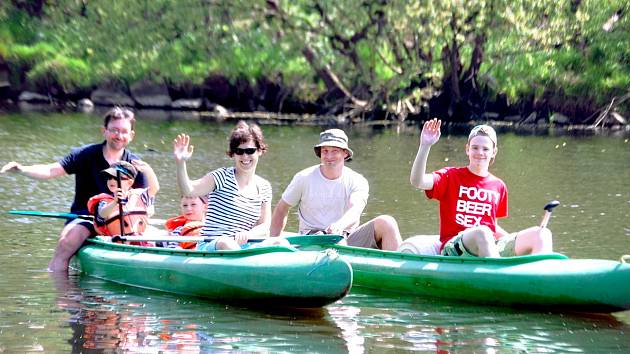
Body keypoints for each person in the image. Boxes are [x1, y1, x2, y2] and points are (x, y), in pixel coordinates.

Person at [0, 107, 147, 272]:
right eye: (114, 130)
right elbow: (52, 170)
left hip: (121, 222)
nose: (119, 136)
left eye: (124, 131)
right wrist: (22, 169)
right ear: (104, 131)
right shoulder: (85, 154)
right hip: (86, 217)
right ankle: (62, 287)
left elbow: (145, 202)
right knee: (67, 241)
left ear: (131, 135)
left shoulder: (136, 165)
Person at [409, 118, 553, 257]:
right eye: (475, 147)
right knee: (482, 232)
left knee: (542, 234)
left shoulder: (499, 186)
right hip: (455, 248)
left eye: (485, 148)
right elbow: (417, 181)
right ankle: (497, 276)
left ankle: (542, 276)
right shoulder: (450, 176)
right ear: (467, 149)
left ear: (493, 152)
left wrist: (513, 239)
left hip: (488, 244)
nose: (480, 152)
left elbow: (492, 226)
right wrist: (425, 145)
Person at [269, 128, 402, 251]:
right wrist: (273, 242)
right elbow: (281, 209)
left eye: (335, 151)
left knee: (387, 222)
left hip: (347, 236)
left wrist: (339, 225)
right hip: (312, 239)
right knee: (336, 242)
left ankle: (398, 270)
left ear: (345, 153)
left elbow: (355, 209)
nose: (329, 156)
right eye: (325, 151)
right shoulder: (303, 178)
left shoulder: (357, 180)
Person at [173, 121, 282, 250]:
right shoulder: (221, 177)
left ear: (259, 151)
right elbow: (189, 190)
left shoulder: (264, 186)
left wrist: (248, 234)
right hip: (212, 245)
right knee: (226, 243)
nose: (245, 156)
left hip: (245, 246)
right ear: (233, 154)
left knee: (280, 243)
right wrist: (181, 163)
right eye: (239, 151)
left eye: (250, 150)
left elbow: (265, 226)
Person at [87, 161, 159, 242]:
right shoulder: (104, 201)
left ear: (129, 182)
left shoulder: (141, 196)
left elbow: (154, 188)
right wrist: (114, 202)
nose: (111, 180)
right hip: (117, 243)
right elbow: (102, 215)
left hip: (140, 240)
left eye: (116, 178)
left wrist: (148, 171)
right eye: (109, 177)